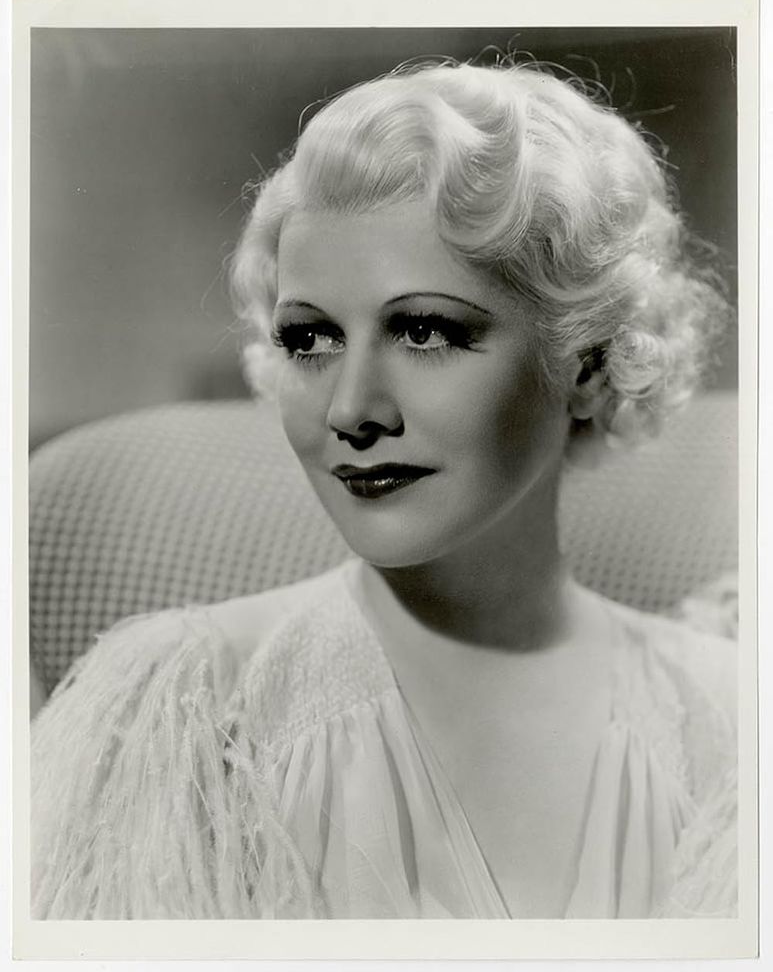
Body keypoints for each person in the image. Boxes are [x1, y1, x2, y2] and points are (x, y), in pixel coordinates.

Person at [31, 58, 736, 920]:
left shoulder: (732, 720)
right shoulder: (189, 711)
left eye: (424, 331)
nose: (350, 409)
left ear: (587, 367)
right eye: (310, 340)